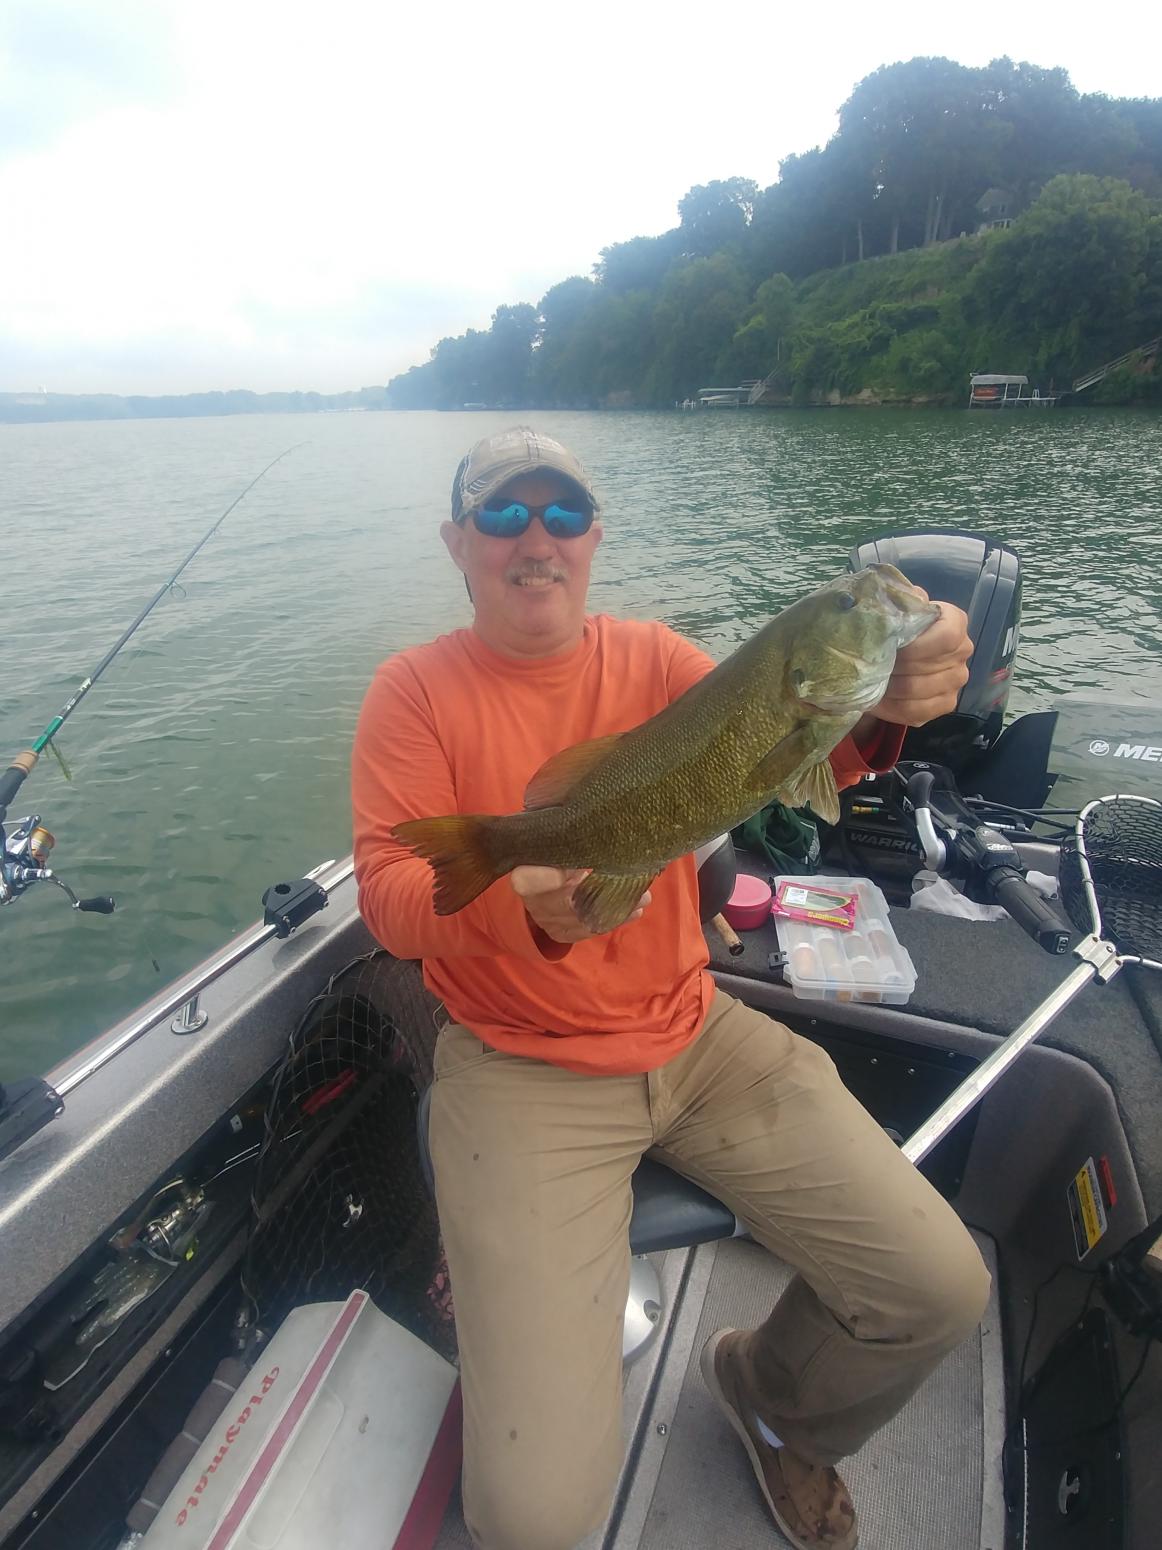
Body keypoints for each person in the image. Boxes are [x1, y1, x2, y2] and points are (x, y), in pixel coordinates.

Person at [351, 427, 989, 1550]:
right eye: (503, 515)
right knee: (534, 1521)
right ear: (458, 542)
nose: (536, 539)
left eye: (562, 513)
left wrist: (892, 707)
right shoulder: (413, 691)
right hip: (518, 1063)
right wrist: (515, 904)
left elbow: (789, 759)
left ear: (594, 537)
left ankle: (773, 1401)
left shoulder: (658, 659)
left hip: (696, 1032)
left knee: (939, 1287)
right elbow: (393, 897)